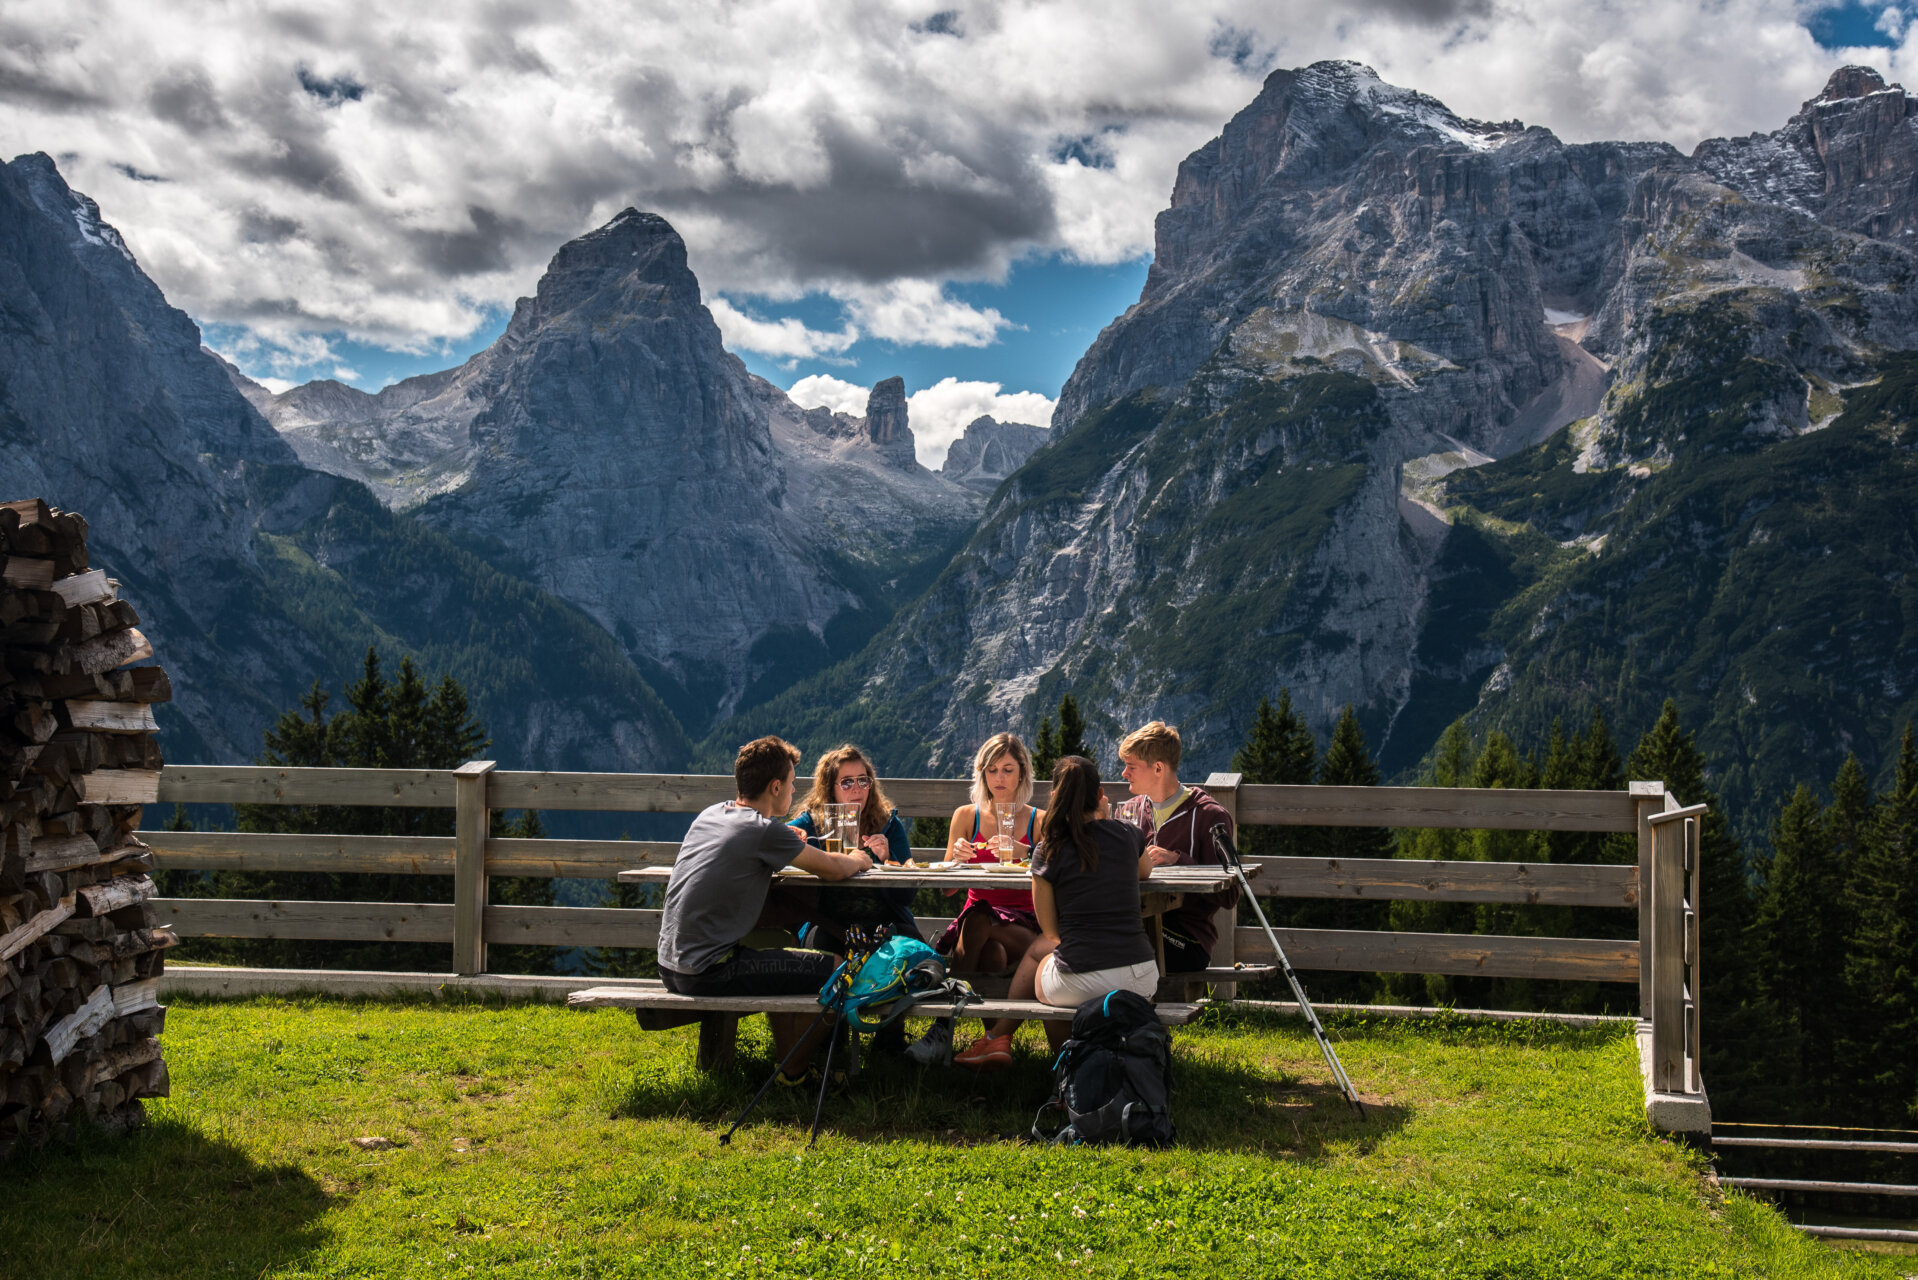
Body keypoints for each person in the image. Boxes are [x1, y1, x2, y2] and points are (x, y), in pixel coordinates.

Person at [655, 736, 874, 1084]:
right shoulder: (762, 832)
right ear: (775, 786)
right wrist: (859, 859)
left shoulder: (713, 814)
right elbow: (833, 868)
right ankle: (795, 1072)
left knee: (778, 943)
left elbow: (745, 847)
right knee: (841, 971)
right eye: (791, 783)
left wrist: (780, 837)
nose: (793, 790)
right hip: (709, 970)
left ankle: (793, 1060)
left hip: (671, 963)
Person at [953, 754, 1159, 1070]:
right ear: (1101, 794)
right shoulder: (1128, 834)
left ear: (1054, 798)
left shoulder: (1048, 850)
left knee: (1044, 969)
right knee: (1048, 964)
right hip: (1143, 974)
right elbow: (1144, 872)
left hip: (1082, 977)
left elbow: (1051, 932)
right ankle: (1001, 1040)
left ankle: (1067, 1076)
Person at [903, 733, 1045, 1066]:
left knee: (979, 916)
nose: (1000, 778)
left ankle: (942, 1028)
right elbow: (948, 891)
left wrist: (1031, 853)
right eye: (992, 770)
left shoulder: (1038, 820)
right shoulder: (967, 816)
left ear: (1022, 773)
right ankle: (995, 1043)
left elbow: (1054, 880)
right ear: (982, 773)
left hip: (1024, 925)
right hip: (980, 932)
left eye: (1008, 770)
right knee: (990, 952)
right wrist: (956, 860)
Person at [1114, 720, 1239, 975]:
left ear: (1158, 768)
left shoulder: (1209, 815)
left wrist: (1178, 860)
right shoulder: (1130, 811)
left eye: (1131, 766)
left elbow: (1230, 895)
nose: (1124, 773)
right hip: (1137, 927)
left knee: (1108, 950)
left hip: (1187, 938)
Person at [786, 744, 919, 944]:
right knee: (825, 948)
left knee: (915, 949)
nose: (857, 789)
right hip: (827, 924)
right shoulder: (812, 824)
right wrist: (791, 836)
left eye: (863, 781)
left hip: (885, 925)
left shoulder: (887, 824)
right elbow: (774, 836)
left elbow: (907, 897)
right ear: (830, 788)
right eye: (847, 782)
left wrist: (889, 858)